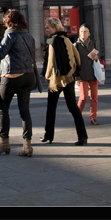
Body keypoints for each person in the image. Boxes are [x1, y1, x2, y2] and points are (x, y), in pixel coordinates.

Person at [0, 9, 38, 157]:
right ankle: (27, 146)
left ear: (9, 22)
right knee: (25, 111)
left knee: (3, 110)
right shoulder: (29, 36)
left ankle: (4, 144)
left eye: (5, 22)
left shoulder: (10, 35)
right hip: (28, 76)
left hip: (12, 76)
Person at [40, 17, 88, 146]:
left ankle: (48, 135)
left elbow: (50, 63)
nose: (47, 29)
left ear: (54, 27)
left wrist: (47, 76)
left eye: (48, 27)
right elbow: (77, 57)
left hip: (56, 80)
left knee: (51, 107)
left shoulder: (52, 41)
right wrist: (72, 72)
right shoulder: (67, 40)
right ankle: (83, 136)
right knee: (73, 107)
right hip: (69, 78)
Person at [74, 24, 100, 125]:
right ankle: (77, 116)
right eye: (81, 31)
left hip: (93, 73)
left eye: (85, 31)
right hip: (81, 74)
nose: (83, 33)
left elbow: (98, 58)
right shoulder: (76, 45)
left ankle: (93, 117)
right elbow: (74, 62)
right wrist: (76, 77)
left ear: (89, 34)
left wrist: (96, 58)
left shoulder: (93, 44)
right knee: (84, 96)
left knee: (94, 97)